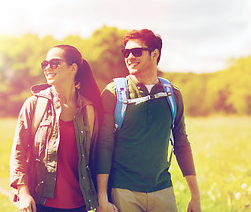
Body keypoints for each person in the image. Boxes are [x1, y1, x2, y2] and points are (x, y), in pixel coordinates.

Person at [96, 29, 201, 212]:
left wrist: (195, 195)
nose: (129, 57)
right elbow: (104, 145)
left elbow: (181, 143)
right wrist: (102, 198)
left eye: (136, 52)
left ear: (155, 54)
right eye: (126, 53)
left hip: (163, 190)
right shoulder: (113, 93)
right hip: (123, 191)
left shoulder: (172, 94)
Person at [10, 45, 102, 212]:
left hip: (80, 205)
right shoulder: (34, 104)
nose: (47, 68)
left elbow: (96, 158)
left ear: (73, 68)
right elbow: (19, 151)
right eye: (45, 64)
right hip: (40, 204)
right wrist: (23, 192)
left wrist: (102, 198)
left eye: (54, 63)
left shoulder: (89, 109)